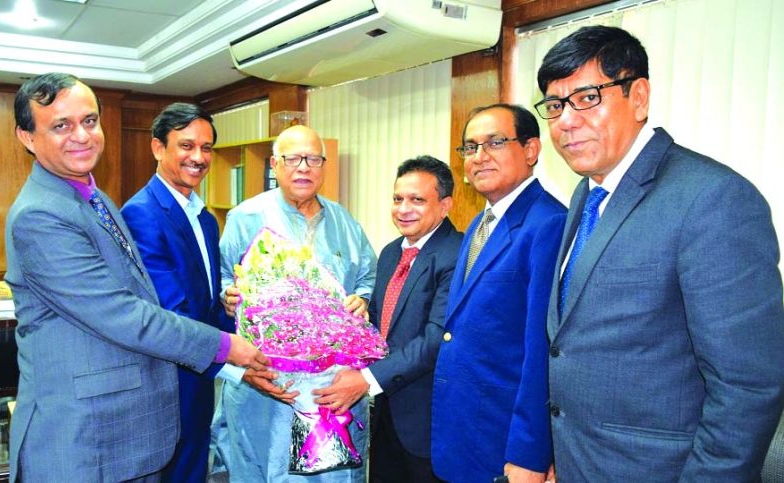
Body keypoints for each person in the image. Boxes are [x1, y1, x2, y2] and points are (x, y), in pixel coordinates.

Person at [536, 26, 784, 481]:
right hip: (581, 463)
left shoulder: (713, 199)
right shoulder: (585, 196)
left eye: (587, 97)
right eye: (555, 106)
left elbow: (747, 386)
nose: (566, 121)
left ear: (639, 97)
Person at [4, 72, 266, 482]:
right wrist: (224, 346)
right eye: (61, 125)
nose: (82, 136)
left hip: (124, 423)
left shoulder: (94, 197)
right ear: (27, 137)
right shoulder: (40, 215)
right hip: (83, 435)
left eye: (89, 121)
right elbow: (121, 313)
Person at [215, 124, 377, 482]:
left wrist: (361, 300)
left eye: (314, 159)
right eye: (293, 158)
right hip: (269, 385)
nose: (304, 167)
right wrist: (228, 297)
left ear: (324, 165)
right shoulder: (245, 218)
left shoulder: (345, 222)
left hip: (330, 391)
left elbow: (368, 278)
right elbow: (223, 282)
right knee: (265, 469)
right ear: (275, 164)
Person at [431, 104, 565, 483]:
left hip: (505, 441)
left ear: (531, 150)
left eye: (495, 142)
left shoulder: (547, 224)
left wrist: (531, 454)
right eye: (470, 147)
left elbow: (542, 351)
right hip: (464, 430)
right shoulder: (481, 220)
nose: (479, 156)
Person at [314, 155, 461, 482]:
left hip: (427, 420)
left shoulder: (457, 255)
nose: (403, 209)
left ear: (445, 205)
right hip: (384, 414)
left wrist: (366, 380)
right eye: (397, 199)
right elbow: (382, 322)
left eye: (417, 200)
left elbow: (435, 340)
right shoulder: (392, 251)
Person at [120, 103, 230, 483]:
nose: (198, 157)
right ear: (157, 148)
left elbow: (205, 300)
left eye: (207, 148)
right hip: (166, 382)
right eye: (186, 146)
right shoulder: (141, 214)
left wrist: (231, 309)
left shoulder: (204, 217)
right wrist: (235, 362)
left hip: (199, 378)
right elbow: (171, 311)